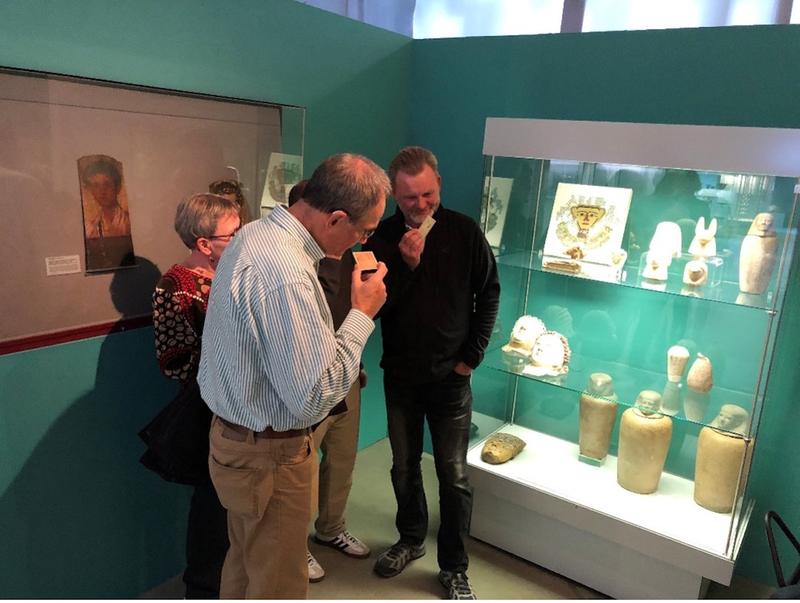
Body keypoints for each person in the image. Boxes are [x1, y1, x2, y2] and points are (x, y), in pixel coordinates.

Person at [198, 153, 389, 599]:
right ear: (336, 217)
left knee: (245, 566)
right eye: (364, 230)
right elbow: (312, 399)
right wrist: (362, 314)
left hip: (235, 442)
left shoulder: (254, 234)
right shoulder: (286, 272)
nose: (363, 240)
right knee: (278, 584)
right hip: (270, 457)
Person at [364, 146, 500, 600]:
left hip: (452, 378)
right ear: (393, 196)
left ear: (438, 184)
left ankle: (455, 566)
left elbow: (489, 293)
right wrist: (407, 265)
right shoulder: (380, 239)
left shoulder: (463, 231)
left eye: (426, 194)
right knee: (403, 468)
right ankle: (409, 539)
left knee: (454, 475)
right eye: (408, 199)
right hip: (400, 376)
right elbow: (377, 307)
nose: (419, 205)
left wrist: (472, 357)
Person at [150, 192, 242, 598]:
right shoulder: (175, 286)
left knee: (232, 509)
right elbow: (175, 361)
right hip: (206, 411)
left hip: (237, 407)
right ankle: (203, 590)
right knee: (211, 510)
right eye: (232, 235)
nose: (240, 241)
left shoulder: (232, 272)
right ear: (204, 243)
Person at [288, 180, 371, 584]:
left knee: (342, 459)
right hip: (312, 384)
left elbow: (355, 313)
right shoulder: (296, 268)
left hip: (348, 376)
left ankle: (331, 528)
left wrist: (356, 364)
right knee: (303, 470)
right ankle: (296, 545)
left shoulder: (353, 255)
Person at [81, 157, 131, 238]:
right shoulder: (92, 228)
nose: (102, 191)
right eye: (96, 186)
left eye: (107, 184)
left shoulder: (128, 222)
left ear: (117, 187)